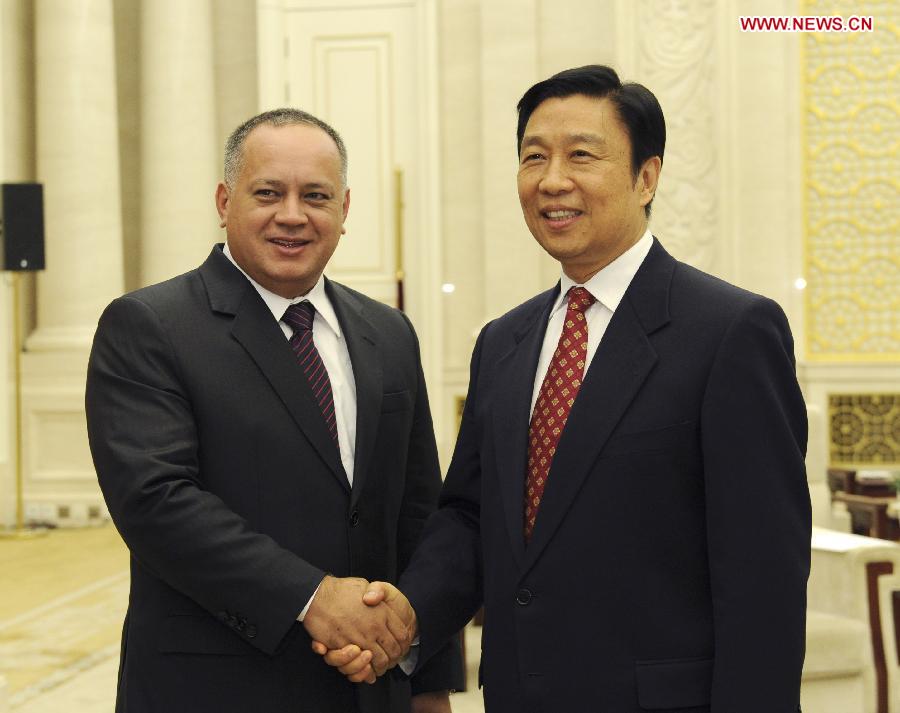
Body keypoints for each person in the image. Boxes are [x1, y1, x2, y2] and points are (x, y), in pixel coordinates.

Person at [320, 65, 811, 712]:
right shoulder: (503, 342)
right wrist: (407, 615)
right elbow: (471, 515)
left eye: (582, 155)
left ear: (646, 177)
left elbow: (763, 577)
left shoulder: (728, 332)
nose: (552, 180)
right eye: (533, 157)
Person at [85, 108, 461, 713]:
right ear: (224, 199)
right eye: (268, 193)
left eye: (315, 196)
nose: (292, 215)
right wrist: (313, 599)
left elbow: (416, 513)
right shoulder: (150, 325)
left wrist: (429, 680)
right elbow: (156, 501)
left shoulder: (389, 334)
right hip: (217, 688)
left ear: (344, 209)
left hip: (372, 692)